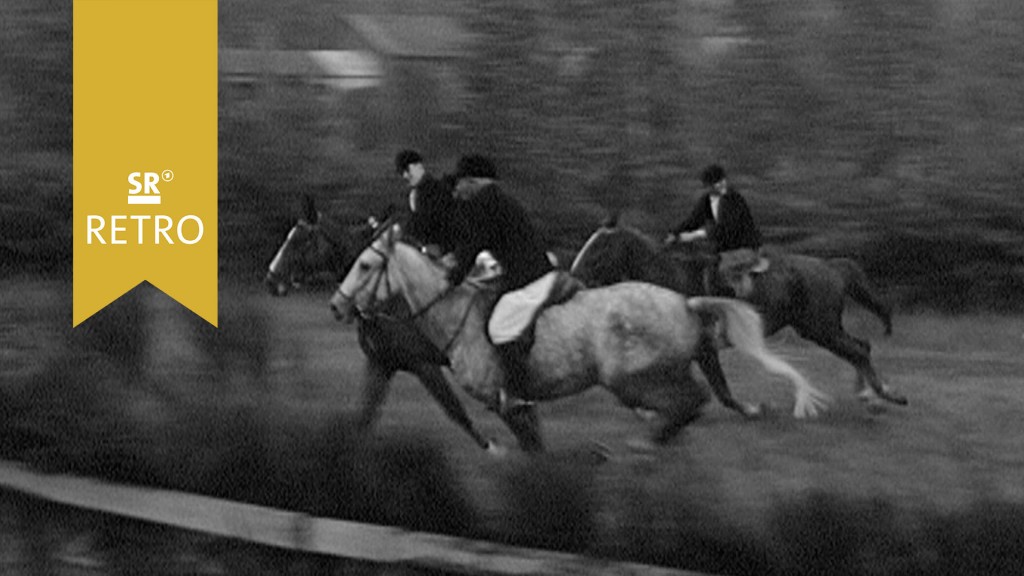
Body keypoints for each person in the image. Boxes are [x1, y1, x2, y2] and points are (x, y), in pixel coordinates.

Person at [447, 154, 574, 413]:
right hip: (527, 272)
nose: (457, 190)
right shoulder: (496, 200)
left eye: (460, 183)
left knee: (499, 328)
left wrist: (454, 277)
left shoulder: (484, 203)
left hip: (530, 278)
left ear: (472, 181)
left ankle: (519, 393)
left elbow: (473, 245)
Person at [666, 164, 766, 294]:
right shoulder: (706, 201)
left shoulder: (735, 200)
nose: (721, 185)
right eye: (715, 183)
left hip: (746, 248)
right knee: (697, 262)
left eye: (722, 180)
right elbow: (692, 221)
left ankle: (737, 302)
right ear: (707, 186)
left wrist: (693, 236)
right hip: (726, 251)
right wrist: (674, 233)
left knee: (722, 268)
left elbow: (725, 228)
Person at [394, 149, 461, 255]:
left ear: (418, 166)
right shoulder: (413, 193)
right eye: (401, 172)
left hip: (438, 250)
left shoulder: (438, 190)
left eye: (407, 170)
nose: (405, 176)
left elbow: (443, 222)